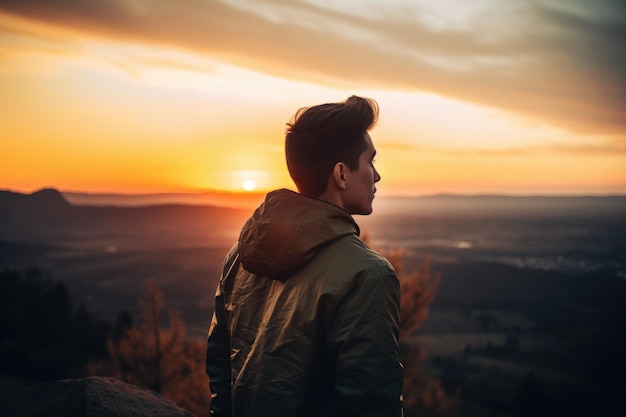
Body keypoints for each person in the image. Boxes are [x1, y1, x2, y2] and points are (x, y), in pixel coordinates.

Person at [206, 96, 404, 417]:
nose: (376, 176)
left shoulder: (239, 255)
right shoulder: (367, 274)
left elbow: (220, 364)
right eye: (370, 162)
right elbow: (370, 404)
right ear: (341, 174)